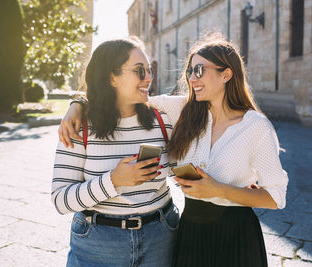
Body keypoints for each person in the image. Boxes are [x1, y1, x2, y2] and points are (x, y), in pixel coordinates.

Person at [59, 34, 288, 267]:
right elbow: (122, 95)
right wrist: (79, 103)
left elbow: (276, 197)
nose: (191, 78)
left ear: (226, 74)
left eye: (199, 70)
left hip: (234, 236)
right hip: (188, 234)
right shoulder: (182, 110)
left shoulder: (256, 127)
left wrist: (219, 190)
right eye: (190, 71)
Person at [52, 37, 179, 267]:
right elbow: (60, 199)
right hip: (97, 244)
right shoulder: (78, 126)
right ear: (112, 77)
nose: (149, 78)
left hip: (161, 237)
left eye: (149, 70)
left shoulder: (163, 117)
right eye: (140, 71)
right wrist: (113, 180)